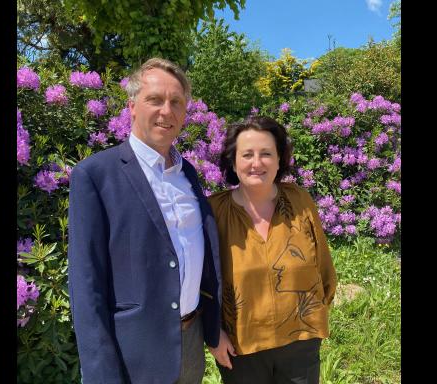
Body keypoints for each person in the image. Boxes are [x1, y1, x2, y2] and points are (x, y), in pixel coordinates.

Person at [68, 57, 222, 384]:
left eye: (176, 102)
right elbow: (86, 284)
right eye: (155, 99)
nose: (166, 110)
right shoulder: (95, 175)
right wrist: (101, 374)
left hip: (190, 343)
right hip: (134, 355)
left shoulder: (189, 174)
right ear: (132, 107)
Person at [207, 116, 337, 384]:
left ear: (279, 160)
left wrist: (316, 315)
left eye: (266, 153)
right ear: (233, 162)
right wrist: (213, 333)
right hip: (240, 347)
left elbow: (323, 263)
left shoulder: (299, 200)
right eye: (247, 154)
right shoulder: (214, 211)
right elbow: (201, 278)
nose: (257, 163)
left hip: (301, 340)